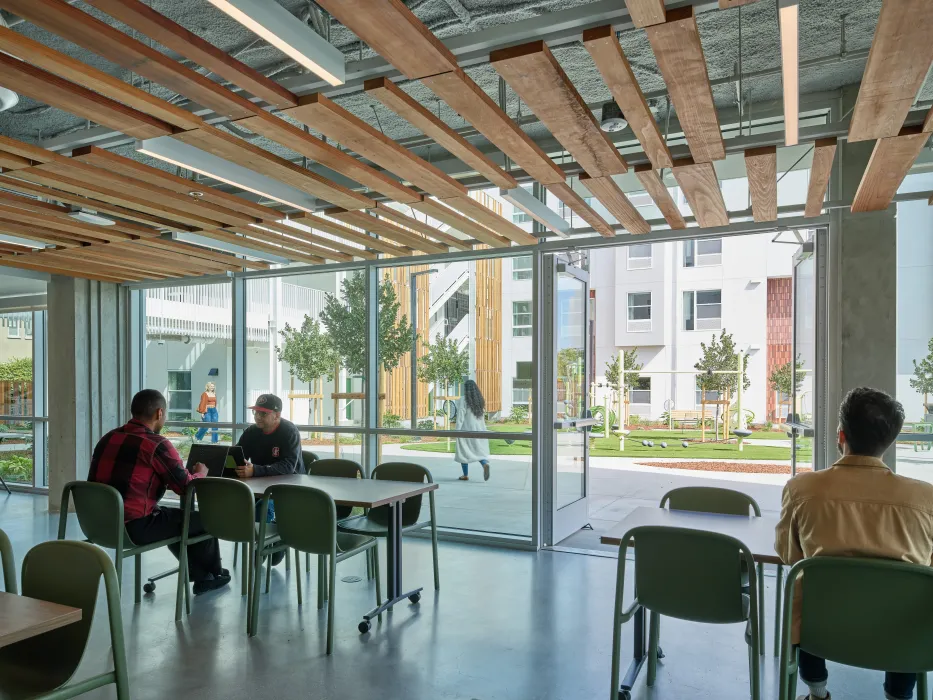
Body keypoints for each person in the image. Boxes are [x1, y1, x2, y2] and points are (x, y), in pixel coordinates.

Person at [774, 387, 933, 700]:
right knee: (915, 602)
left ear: (840, 435)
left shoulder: (801, 489)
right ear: (891, 441)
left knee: (802, 596)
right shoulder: (926, 499)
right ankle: (899, 695)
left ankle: (817, 693)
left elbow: (787, 555)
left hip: (820, 631)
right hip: (901, 631)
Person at [88, 389, 230, 594]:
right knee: (203, 521)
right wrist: (200, 474)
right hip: (131, 528)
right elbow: (185, 488)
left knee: (177, 520)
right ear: (159, 413)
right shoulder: (156, 444)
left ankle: (201, 573)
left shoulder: (108, 437)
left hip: (96, 524)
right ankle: (210, 576)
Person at [234, 393, 302, 566]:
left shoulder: (289, 431)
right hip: (259, 483)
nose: (257, 417)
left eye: (263, 414)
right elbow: (237, 455)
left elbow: (289, 467)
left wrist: (255, 470)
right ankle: (268, 541)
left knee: (262, 508)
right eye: (256, 413)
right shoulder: (251, 432)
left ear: (277, 415)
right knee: (250, 505)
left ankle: (269, 542)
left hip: (289, 485)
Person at [454, 379, 491, 481]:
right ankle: (484, 464)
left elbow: (460, 416)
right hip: (479, 429)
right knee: (478, 450)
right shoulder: (480, 401)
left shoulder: (463, 400)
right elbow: (482, 417)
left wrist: (456, 430)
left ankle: (465, 474)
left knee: (463, 451)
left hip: (466, 429)